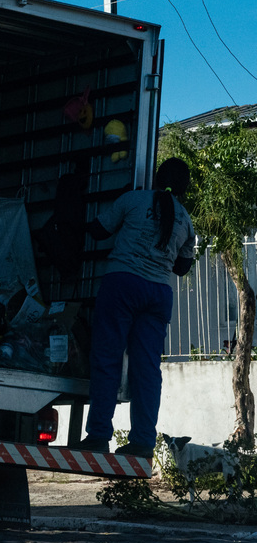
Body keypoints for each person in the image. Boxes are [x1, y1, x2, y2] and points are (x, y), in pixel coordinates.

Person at [79, 157, 195, 457]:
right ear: (184, 188)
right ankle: (142, 442)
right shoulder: (185, 220)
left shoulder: (133, 199)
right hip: (158, 294)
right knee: (147, 369)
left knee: (108, 359)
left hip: (122, 285)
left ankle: (98, 436)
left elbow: (98, 230)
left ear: (156, 179)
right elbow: (182, 267)